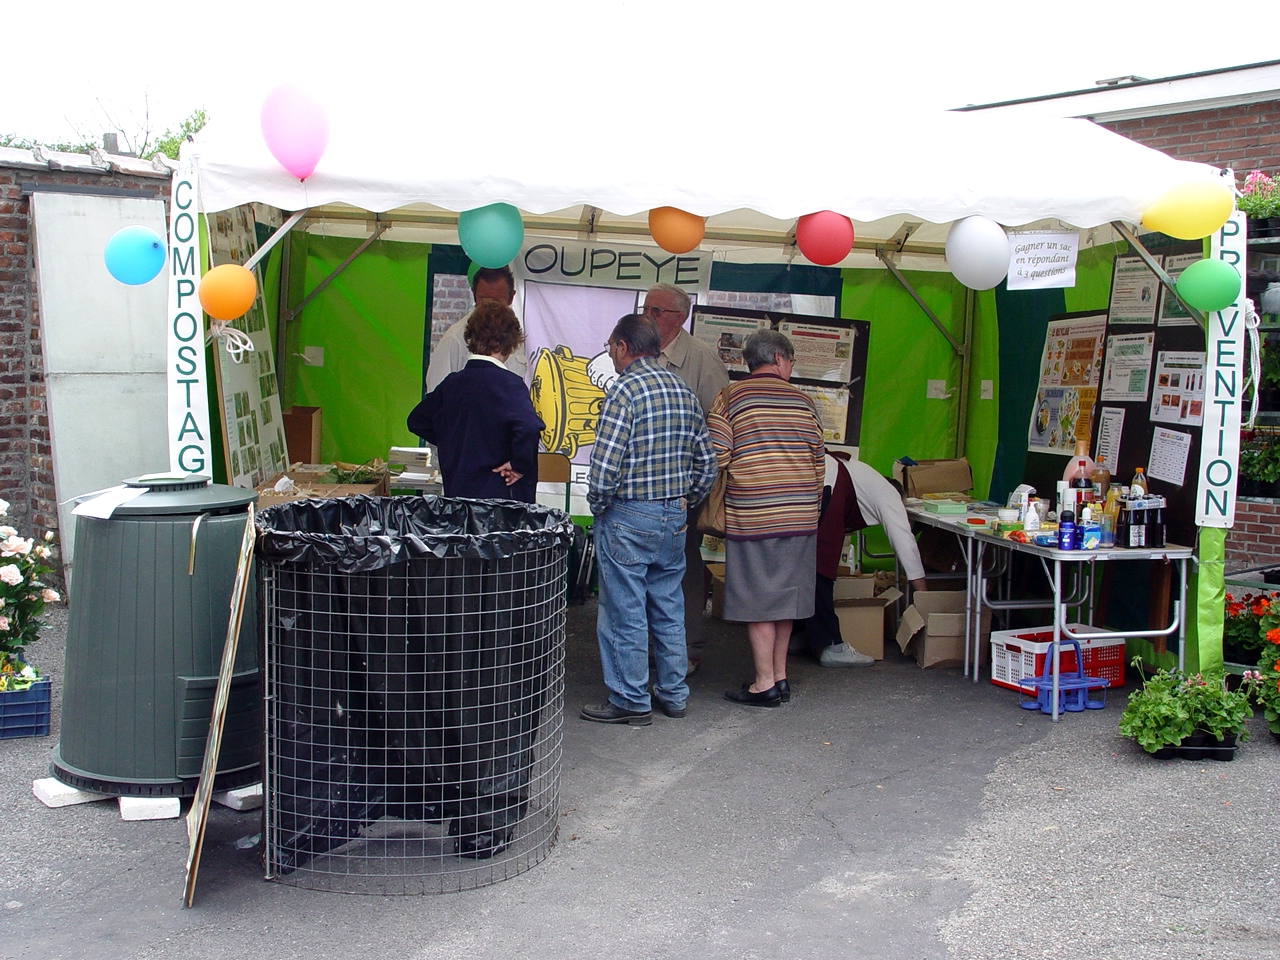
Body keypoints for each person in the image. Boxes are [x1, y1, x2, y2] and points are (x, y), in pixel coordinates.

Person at [580, 314, 717, 726]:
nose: (610, 353)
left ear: (624, 347)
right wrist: (684, 500)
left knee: (624, 610)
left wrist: (600, 505)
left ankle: (630, 698)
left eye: (610, 346)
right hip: (673, 515)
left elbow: (604, 469)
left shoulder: (623, 390)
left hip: (627, 514)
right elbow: (707, 464)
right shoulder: (682, 390)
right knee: (669, 605)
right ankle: (674, 694)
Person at [708, 330, 824, 707]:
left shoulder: (730, 398)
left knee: (758, 599)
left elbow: (717, 457)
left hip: (754, 514)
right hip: (801, 516)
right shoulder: (805, 403)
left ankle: (763, 683)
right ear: (778, 357)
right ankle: (780, 676)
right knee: (785, 599)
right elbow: (819, 461)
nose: (791, 368)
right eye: (791, 360)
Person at [641, 283, 730, 677]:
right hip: (643, 487)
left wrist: (697, 487)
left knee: (684, 569)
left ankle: (687, 647)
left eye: (655, 311)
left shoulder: (703, 361)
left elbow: (718, 431)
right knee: (646, 569)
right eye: (645, 309)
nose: (648, 316)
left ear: (679, 317)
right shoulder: (644, 352)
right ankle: (646, 647)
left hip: (682, 488)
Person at [406, 300, 544, 502]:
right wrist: (519, 464)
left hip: (457, 494)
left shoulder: (452, 385)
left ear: (470, 337)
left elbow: (417, 420)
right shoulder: (509, 385)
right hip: (500, 500)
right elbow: (530, 426)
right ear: (510, 343)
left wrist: (454, 440)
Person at [801, 453, 927, 666]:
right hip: (827, 483)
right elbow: (905, 543)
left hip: (811, 479)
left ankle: (801, 635)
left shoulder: (866, 478)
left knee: (801, 562)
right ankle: (832, 645)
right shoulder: (889, 493)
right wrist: (923, 593)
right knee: (820, 567)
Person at [424, 265, 525, 392]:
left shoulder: (516, 337)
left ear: (511, 297)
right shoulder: (455, 339)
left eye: (497, 301)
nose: (490, 307)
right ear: (474, 294)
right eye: (484, 300)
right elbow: (436, 397)